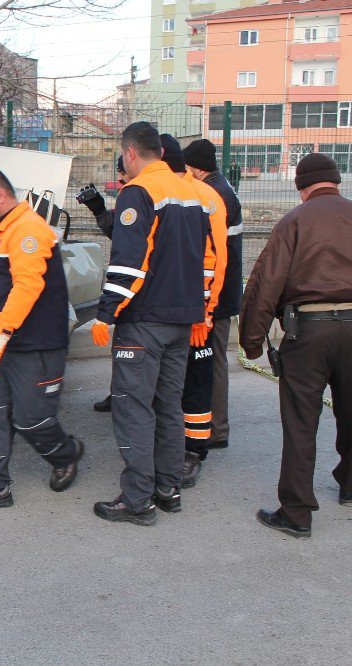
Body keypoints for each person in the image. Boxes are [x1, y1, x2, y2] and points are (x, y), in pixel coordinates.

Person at [91, 122, 207, 526]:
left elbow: (128, 263)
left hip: (144, 322)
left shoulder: (137, 193)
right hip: (181, 320)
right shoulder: (192, 192)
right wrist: (201, 311)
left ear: (130, 154)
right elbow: (205, 258)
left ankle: (137, 500)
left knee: (134, 409)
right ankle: (168, 488)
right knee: (169, 407)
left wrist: (107, 313)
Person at [0, 168, 84, 510]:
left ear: (0, 196)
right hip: (8, 340)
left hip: (35, 343)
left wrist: (2, 331)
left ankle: (66, 454)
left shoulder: (28, 231)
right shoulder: (3, 229)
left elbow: (28, 285)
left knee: (30, 419)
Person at [239, 153, 352, 539]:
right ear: (336, 182)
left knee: (302, 422)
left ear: (302, 188)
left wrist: (252, 343)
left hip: (309, 332)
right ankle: (350, 486)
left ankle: (297, 513)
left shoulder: (294, 222)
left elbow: (264, 284)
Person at [163, 134, 228, 490]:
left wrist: (203, 313)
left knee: (196, 385)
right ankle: (174, 447)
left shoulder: (204, 197)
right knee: (172, 384)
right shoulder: (168, 192)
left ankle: (193, 452)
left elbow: (213, 261)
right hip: (168, 311)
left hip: (195, 313)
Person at [183, 138, 243, 453]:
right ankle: (213, 426)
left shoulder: (214, 195)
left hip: (216, 296)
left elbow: (210, 253)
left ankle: (215, 429)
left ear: (196, 168)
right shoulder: (222, 187)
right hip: (222, 292)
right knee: (212, 361)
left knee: (212, 362)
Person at [76, 156, 128, 413]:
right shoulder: (133, 194)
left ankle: (129, 400)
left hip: (140, 289)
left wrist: (107, 310)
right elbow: (119, 231)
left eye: (121, 175)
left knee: (135, 349)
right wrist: (99, 210)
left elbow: (129, 247)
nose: (120, 181)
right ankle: (120, 394)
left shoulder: (144, 195)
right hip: (135, 290)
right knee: (125, 348)